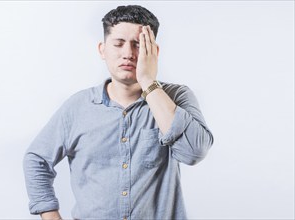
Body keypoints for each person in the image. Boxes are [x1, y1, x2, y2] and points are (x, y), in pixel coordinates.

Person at [23, 5, 214, 220]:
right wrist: (50, 215)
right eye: (118, 44)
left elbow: (194, 153)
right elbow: (36, 159)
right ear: (102, 49)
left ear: (154, 51)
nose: (128, 54)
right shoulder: (77, 107)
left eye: (138, 45)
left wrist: (149, 82)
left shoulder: (176, 97)